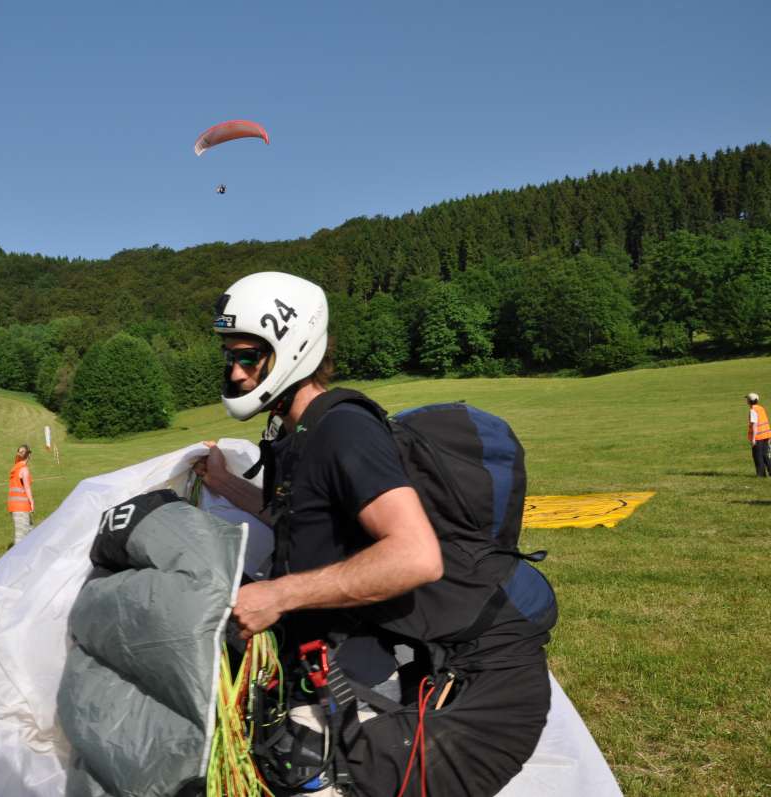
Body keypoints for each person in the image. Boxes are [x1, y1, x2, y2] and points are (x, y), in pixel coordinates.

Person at [194, 271, 553, 797]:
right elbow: (305, 523)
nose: (235, 372)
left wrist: (277, 595)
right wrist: (226, 485)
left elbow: (416, 556)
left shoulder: (344, 429)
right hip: (353, 662)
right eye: (229, 356)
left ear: (293, 349)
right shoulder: (298, 432)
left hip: (428, 679)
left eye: (249, 357)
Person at [7, 444, 35, 544]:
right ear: (29, 455)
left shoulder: (16, 467)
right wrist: (32, 502)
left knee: (30, 531)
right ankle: (18, 554)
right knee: (21, 538)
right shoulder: (24, 469)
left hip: (14, 506)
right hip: (21, 507)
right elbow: (27, 487)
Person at [747, 393, 771, 477]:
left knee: (757, 456)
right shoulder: (761, 408)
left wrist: (753, 439)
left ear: (749, 401)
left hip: (758, 436)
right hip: (766, 434)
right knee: (765, 454)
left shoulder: (753, 410)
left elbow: (754, 424)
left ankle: (761, 475)